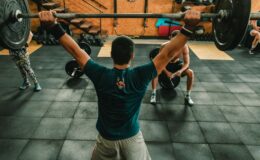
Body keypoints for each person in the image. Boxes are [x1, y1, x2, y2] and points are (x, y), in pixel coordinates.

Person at [38, 10, 200, 160]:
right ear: (132, 55)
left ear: (111, 54)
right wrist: (189, 26)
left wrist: (53, 26)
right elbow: (168, 54)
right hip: (132, 139)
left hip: (106, 140)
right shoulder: (141, 75)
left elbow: (76, 51)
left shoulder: (100, 74)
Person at [150, 30, 194, 106]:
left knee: (190, 73)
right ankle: (153, 94)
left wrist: (180, 71)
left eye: (177, 41)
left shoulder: (184, 46)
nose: (175, 43)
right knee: (155, 71)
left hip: (177, 64)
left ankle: (188, 95)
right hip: (165, 64)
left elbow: (187, 63)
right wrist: (167, 72)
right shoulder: (164, 46)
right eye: (173, 40)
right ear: (170, 38)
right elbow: (159, 62)